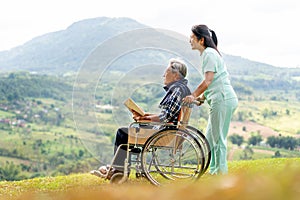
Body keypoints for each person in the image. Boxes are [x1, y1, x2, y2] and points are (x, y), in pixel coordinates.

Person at [90, 58, 191, 179]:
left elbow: (166, 116)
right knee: (133, 131)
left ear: (175, 75)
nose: (163, 75)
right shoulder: (180, 89)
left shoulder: (177, 90)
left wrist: (146, 119)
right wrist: (146, 116)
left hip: (165, 133)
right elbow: (168, 115)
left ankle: (118, 170)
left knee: (122, 133)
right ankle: (118, 168)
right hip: (166, 130)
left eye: (167, 72)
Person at [183, 24, 238, 175]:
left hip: (223, 99)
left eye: (192, 37)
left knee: (218, 138)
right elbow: (214, 82)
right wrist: (202, 98)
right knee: (210, 138)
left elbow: (208, 81)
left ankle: (221, 173)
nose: (190, 40)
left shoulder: (209, 54)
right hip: (220, 98)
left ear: (201, 40)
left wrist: (193, 95)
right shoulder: (209, 54)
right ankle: (213, 170)